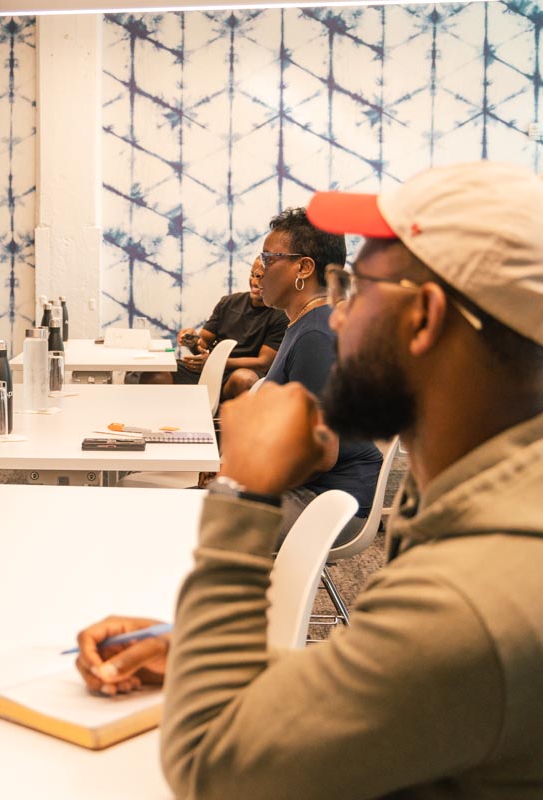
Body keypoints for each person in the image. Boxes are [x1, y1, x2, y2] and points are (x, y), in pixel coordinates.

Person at [75, 161, 543, 797]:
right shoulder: (482, 498)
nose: (340, 316)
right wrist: (199, 654)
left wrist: (243, 491)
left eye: (358, 288)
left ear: (424, 317)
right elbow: (401, 682)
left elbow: (218, 772)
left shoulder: (473, 602)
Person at [256, 207, 382, 543]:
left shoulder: (316, 335)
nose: (260, 270)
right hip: (313, 492)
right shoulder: (304, 325)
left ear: (304, 267)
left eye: (269, 259)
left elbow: (321, 455)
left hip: (327, 503)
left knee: (190, 523)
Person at [167, 257, 287, 400]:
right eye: (253, 274)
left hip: (239, 373)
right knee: (159, 372)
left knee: (244, 379)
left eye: (262, 276)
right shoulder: (228, 302)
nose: (254, 282)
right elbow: (203, 342)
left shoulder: (280, 315)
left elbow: (263, 363)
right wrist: (192, 341)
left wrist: (217, 362)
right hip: (210, 369)